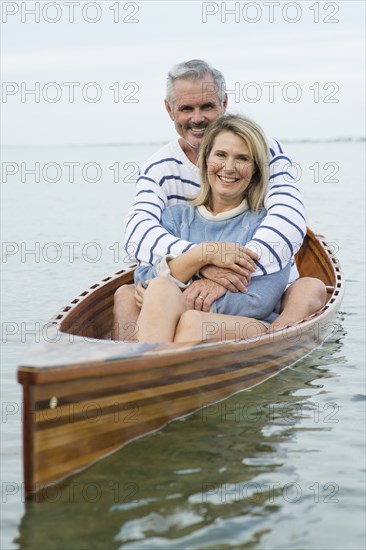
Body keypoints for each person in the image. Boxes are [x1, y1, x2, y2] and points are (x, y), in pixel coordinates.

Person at [113, 60, 326, 340]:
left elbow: (287, 220)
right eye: (187, 108)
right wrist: (204, 257)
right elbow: (139, 235)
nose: (198, 118)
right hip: (183, 286)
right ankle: (129, 367)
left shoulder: (265, 155)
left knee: (310, 287)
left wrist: (221, 273)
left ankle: (277, 341)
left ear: (224, 103)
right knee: (129, 293)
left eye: (207, 106)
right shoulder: (167, 187)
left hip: (255, 291)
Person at [134, 114, 291, 342]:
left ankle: (149, 369)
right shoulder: (176, 217)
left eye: (242, 158)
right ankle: (152, 372)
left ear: (255, 168)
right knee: (158, 289)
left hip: (251, 328)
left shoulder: (267, 224)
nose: (229, 167)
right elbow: (143, 280)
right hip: (174, 319)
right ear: (205, 159)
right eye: (221, 155)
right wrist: (201, 260)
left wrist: (186, 298)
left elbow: (260, 299)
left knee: (193, 322)